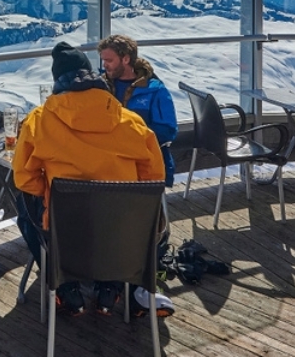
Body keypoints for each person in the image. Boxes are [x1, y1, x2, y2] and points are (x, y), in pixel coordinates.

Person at [13, 42, 165, 316]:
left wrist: (49, 191)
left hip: (66, 230)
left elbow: (24, 178)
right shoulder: (131, 122)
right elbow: (153, 178)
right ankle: (112, 286)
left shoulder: (39, 120)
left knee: (24, 211)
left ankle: (62, 286)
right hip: (121, 232)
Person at [97, 34, 178, 187]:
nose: (104, 65)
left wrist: (126, 135)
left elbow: (168, 131)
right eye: (103, 60)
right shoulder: (100, 88)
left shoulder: (155, 90)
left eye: (109, 60)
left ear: (126, 59)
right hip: (107, 164)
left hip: (144, 165)